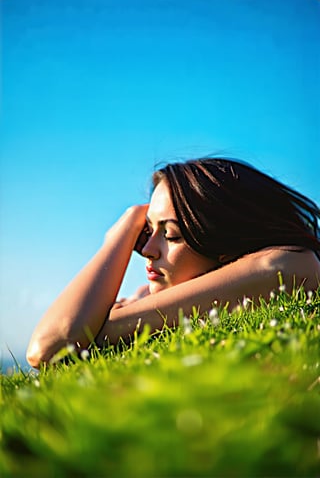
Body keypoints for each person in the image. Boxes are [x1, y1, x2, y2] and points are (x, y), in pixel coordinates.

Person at [26, 157, 320, 368]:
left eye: (171, 235)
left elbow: (50, 347)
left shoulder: (290, 263)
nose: (148, 250)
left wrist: (118, 234)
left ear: (224, 247)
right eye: (147, 230)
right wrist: (130, 222)